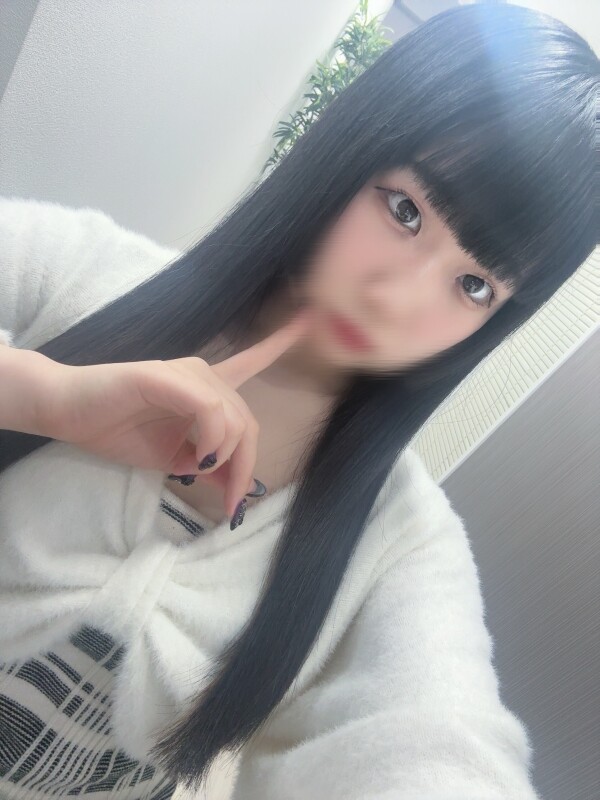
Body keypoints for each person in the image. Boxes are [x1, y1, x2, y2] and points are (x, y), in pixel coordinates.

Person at [0, 4, 597, 799]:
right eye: (407, 210)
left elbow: (436, 738)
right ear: (352, 148)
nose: (397, 299)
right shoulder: (83, 272)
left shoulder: (398, 541)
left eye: (475, 284)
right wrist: (47, 397)